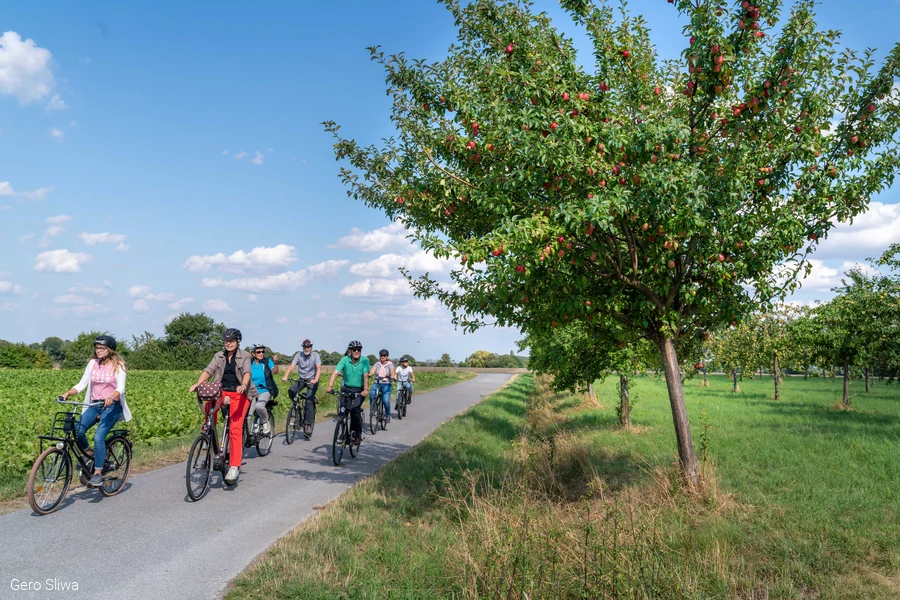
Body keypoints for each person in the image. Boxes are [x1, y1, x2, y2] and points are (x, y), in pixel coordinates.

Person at [60, 335, 133, 487]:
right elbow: (82, 383)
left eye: (101, 348)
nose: (98, 351)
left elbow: (120, 388)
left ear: (110, 350)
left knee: (99, 437)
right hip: (94, 405)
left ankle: (98, 473)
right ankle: (90, 454)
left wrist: (111, 397)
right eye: (96, 348)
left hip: (112, 406)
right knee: (78, 430)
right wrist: (67, 393)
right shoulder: (93, 363)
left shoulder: (118, 365)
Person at [189, 328, 257, 484]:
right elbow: (208, 370)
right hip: (221, 391)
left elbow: (247, 372)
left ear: (237, 342)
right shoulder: (218, 356)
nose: (228, 344)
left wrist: (243, 385)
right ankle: (209, 432)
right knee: (209, 406)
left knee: (235, 428)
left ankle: (234, 465)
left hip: (240, 393)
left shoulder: (245, 356)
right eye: (226, 341)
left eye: (231, 341)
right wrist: (198, 384)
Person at [325, 340, 369, 446]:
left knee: (355, 410)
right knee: (343, 412)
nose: (357, 351)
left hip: (360, 390)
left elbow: (366, 375)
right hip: (347, 389)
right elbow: (335, 373)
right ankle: (343, 434)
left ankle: (357, 435)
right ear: (350, 350)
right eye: (354, 350)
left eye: (359, 349)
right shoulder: (345, 360)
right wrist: (330, 386)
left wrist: (366, 389)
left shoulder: (364, 360)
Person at [282, 339, 322, 437]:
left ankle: (308, 424)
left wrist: (316, 379)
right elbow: (292, 366)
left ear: (311, 347)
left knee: (308, 402)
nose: (306, 349)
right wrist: (285, 376)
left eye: (308, 347)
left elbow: (319, 368)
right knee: (292, 390)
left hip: (312, 380)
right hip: (302, 380)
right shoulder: (299, 355)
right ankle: (296, 407)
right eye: (304, 347)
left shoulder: (316, 355)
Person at [248, 344, 279, 435]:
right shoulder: (249, 363)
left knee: (259, 406)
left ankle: (265, 422)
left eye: (262, 352)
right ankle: (247, 436)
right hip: (252, 392)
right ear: (253, 354)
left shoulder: (266, 361)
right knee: (248, 416)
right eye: (258, 352)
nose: (261, 353)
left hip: (265, 390)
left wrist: (275, 362)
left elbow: (275, 371)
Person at [369, 349, 395, 423]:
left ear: (387, 356)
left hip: (387, 383)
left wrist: (392, 376)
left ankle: (387, 415)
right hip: (377, 382)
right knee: (372, 394)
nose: (382, 357)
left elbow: (392, 372)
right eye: (381, 355)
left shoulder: (390, 364)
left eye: (384, 355)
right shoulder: (377, 364)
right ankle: (373, 410)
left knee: (385, 400)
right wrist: (368, 374)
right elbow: (372, 371)